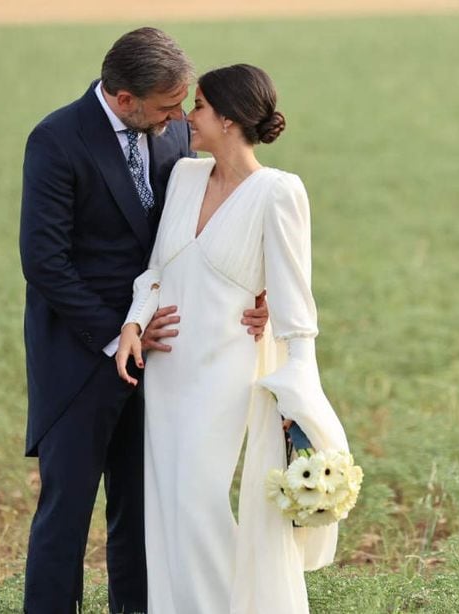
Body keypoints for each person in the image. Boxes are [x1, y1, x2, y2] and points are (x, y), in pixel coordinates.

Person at [18, 29, 269, 613]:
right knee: (67, 515)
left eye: (185, 105)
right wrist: (118, 333)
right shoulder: (56, 139)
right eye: (166, 107)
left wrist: (255, 294)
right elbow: (44, 262)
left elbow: (202, 228)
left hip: (164, 359)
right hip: (77, 359)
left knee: (142, 513)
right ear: (123, 98)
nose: (180, 118)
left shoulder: (174, 134)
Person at [114, 63, 351, 614]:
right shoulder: (185, 177)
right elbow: (156, 271)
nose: (188, 118)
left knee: (198, 503)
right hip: (166, 369)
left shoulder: (279, 192)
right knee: (166, 507)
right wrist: (132, 322)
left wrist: (300, 382)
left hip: (225, 372)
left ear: (228, 118)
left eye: (197, 108)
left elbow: (294, 302)